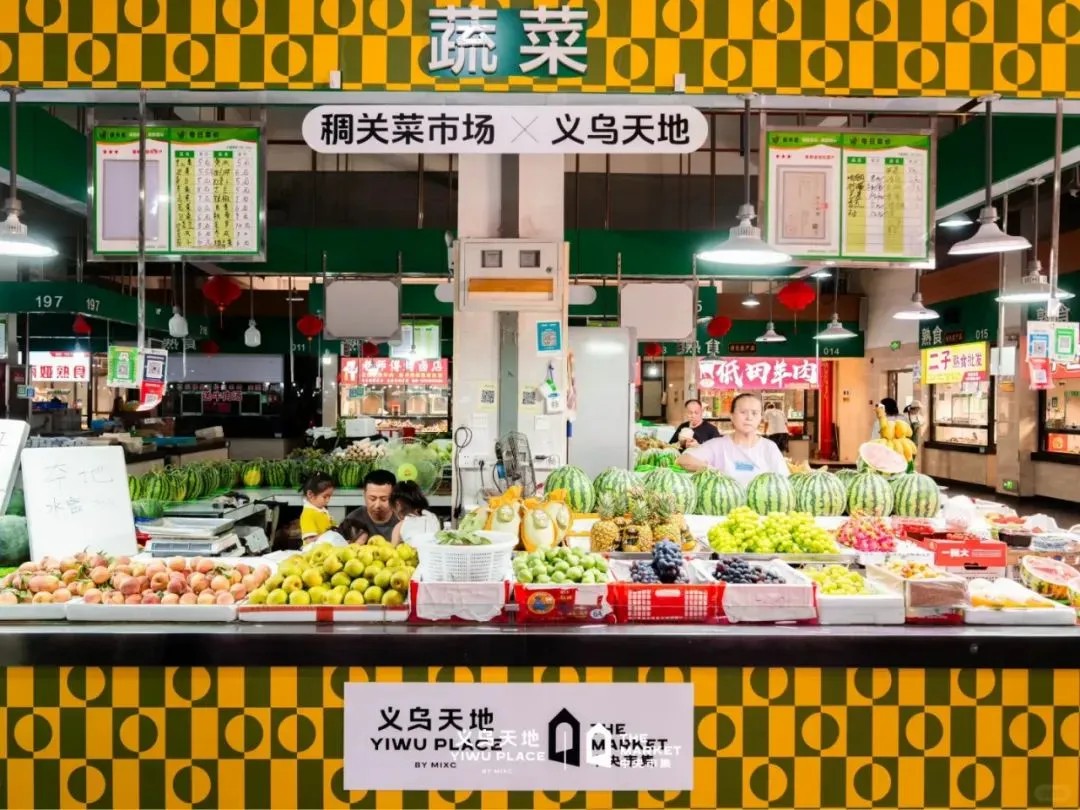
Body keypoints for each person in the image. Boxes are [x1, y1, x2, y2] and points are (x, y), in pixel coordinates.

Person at [676, 393, 790, 489]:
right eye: (743, 412)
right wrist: (712, 470)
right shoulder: (718, 445)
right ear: (732, 416)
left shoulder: (769, 447)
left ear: (760, 418)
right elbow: (684, 459)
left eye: (754, 413)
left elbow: (786, 483)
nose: (749, 418)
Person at [339, 469, 399, 544]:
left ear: (394, 497)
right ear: (364, 495)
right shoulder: (352, 521)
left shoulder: (403, 520)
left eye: (384, 499)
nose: (377, 505)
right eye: (372, 499)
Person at [299, 473, 336, 543]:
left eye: (330, 496)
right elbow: (309, 540)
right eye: (325, 497)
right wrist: (329, 535)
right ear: (310, 494)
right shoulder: (308, 514)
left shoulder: (321, 510)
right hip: (314, 549)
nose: (328, 500)